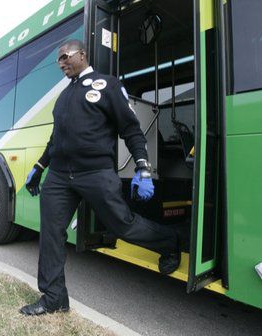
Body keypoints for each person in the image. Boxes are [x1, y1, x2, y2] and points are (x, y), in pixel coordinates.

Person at [19, 39, 180, 316]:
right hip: (59, 176)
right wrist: (39, 166)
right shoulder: (64, 97)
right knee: (51, 234)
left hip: (96, 172)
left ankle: (170, 242)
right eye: (58, 60)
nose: (61, 63)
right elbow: (56, 139)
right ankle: (54, 297)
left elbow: (130, 129)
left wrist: (143, 166)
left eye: (65, 56)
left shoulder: (107, 85)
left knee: (123, 226)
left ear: (82, 54)